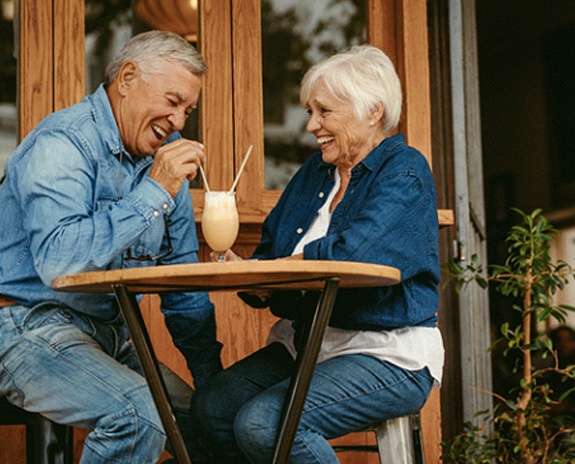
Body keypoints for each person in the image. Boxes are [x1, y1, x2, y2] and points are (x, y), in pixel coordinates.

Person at [188, 44, 444, 463]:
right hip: (306, 345)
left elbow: (354, 254)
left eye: (324, 111)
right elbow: (271, 253)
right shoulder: (314, 174)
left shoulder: (405, 171)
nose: (311, 125)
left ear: (373, 110)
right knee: (212, 408)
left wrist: (275, 269)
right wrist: (255, 278)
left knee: (263, 423)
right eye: (310, 111)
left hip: (386, 352)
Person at [0, 30, 222, 463]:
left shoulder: (165, 158)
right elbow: (59, 261)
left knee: (211, 426)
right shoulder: (62, 144)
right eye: (173, 101)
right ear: (127, 77)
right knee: (137, 415)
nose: (178, 121)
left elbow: (182, 282)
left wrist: (212, 383)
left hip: (109, 338)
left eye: (188, 110)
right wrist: (154, 189)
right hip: (25, 327)